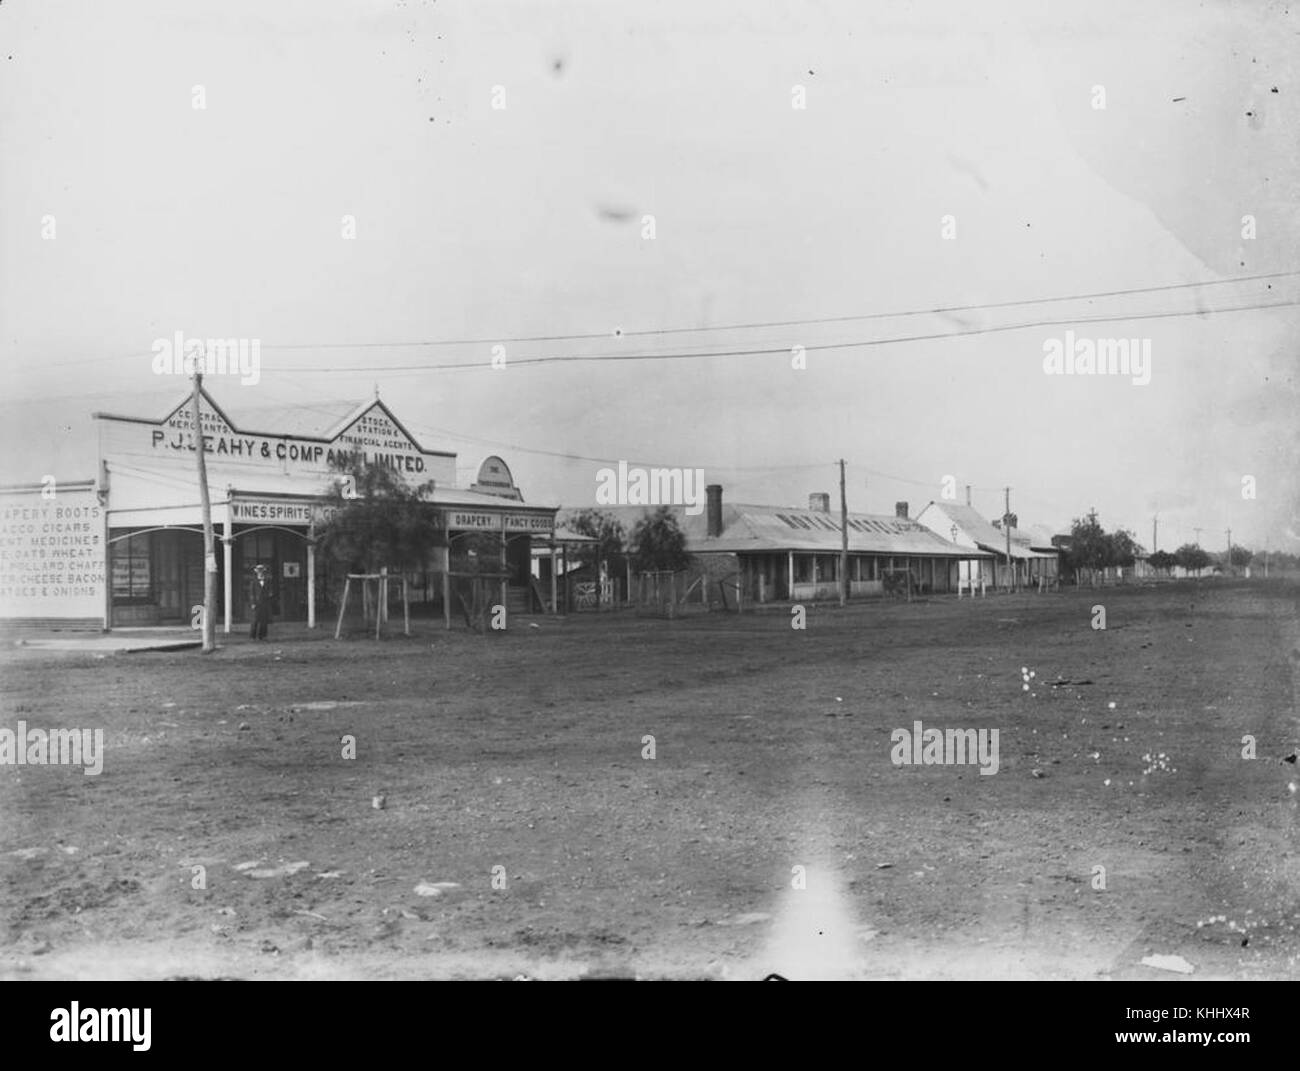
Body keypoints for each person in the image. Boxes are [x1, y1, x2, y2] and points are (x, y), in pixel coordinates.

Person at [249, 564, 273, 640]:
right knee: (255, 620)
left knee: (264, 620)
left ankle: (262, 636)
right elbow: (251, 593)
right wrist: (253, 603)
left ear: (263, 572)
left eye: (261, 571)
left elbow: (270, 590)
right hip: (256, 602)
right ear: (257, 572)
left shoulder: (267, 580)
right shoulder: (253, 581)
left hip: (265, 602)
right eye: (259, 571)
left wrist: (269, 594)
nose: (260, 573)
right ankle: (252, 636)